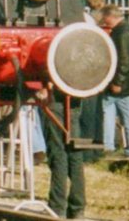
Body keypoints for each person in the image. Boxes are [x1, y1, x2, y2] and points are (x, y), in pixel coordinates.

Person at [38, 84, 87, 218]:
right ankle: (78, 207)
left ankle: (57, 206)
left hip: (56, 99)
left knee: (58, 154)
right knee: (75, 156)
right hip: (75, 99)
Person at [100, 4, 129, 159]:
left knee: (117, 115)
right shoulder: (127, 30)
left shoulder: (121, 33)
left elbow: (123, 60)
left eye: (105, 17)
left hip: (122, 84)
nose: (104, 20)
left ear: (111, 16)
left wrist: (118, 81)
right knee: (126, 116)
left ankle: (117, 148)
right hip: (128, 83)